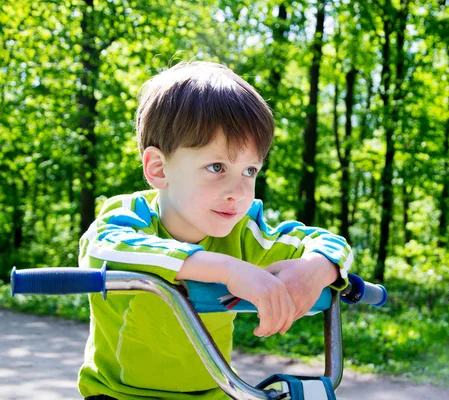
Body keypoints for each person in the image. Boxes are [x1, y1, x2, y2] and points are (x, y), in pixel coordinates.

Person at [78, 61, 354, 400]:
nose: (237, 192)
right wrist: (226, 268)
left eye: (249, 170)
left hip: (217, 392)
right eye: (216, 166)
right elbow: (105, 248)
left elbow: (329, 242)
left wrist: (315, 268)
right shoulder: (129, 216)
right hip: (122, 394)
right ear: (158, 169)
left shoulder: (242, 228)